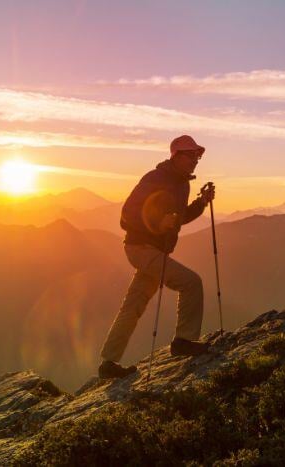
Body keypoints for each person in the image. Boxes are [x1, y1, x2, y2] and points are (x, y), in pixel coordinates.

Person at [98, 135, 216, 379]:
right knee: (191, 282)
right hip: (141, 248)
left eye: (198, 156)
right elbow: (127, 214)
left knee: (133, 305)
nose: (196, 160)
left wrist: (201, 203)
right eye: (191, 155)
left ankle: (108, 364)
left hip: (152, 251)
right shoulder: (155, 179)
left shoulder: (183, 184)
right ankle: (183, 341)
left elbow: (180, 218)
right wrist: (157, 222)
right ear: (176, 155)